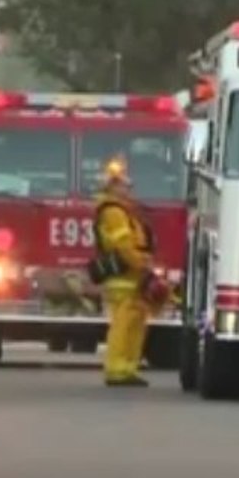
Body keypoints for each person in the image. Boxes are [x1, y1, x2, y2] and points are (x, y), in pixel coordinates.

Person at [90, 157, 165, 388]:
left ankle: (127, 368)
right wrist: (142, 265)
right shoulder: (113, 212)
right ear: (113, 187)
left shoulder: (124, 211)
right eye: (124, 185)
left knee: (135, 324)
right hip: (125, 277)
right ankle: (116, 369)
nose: (129, 189)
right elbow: (123, 246)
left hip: (134, 276)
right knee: (123, 325)